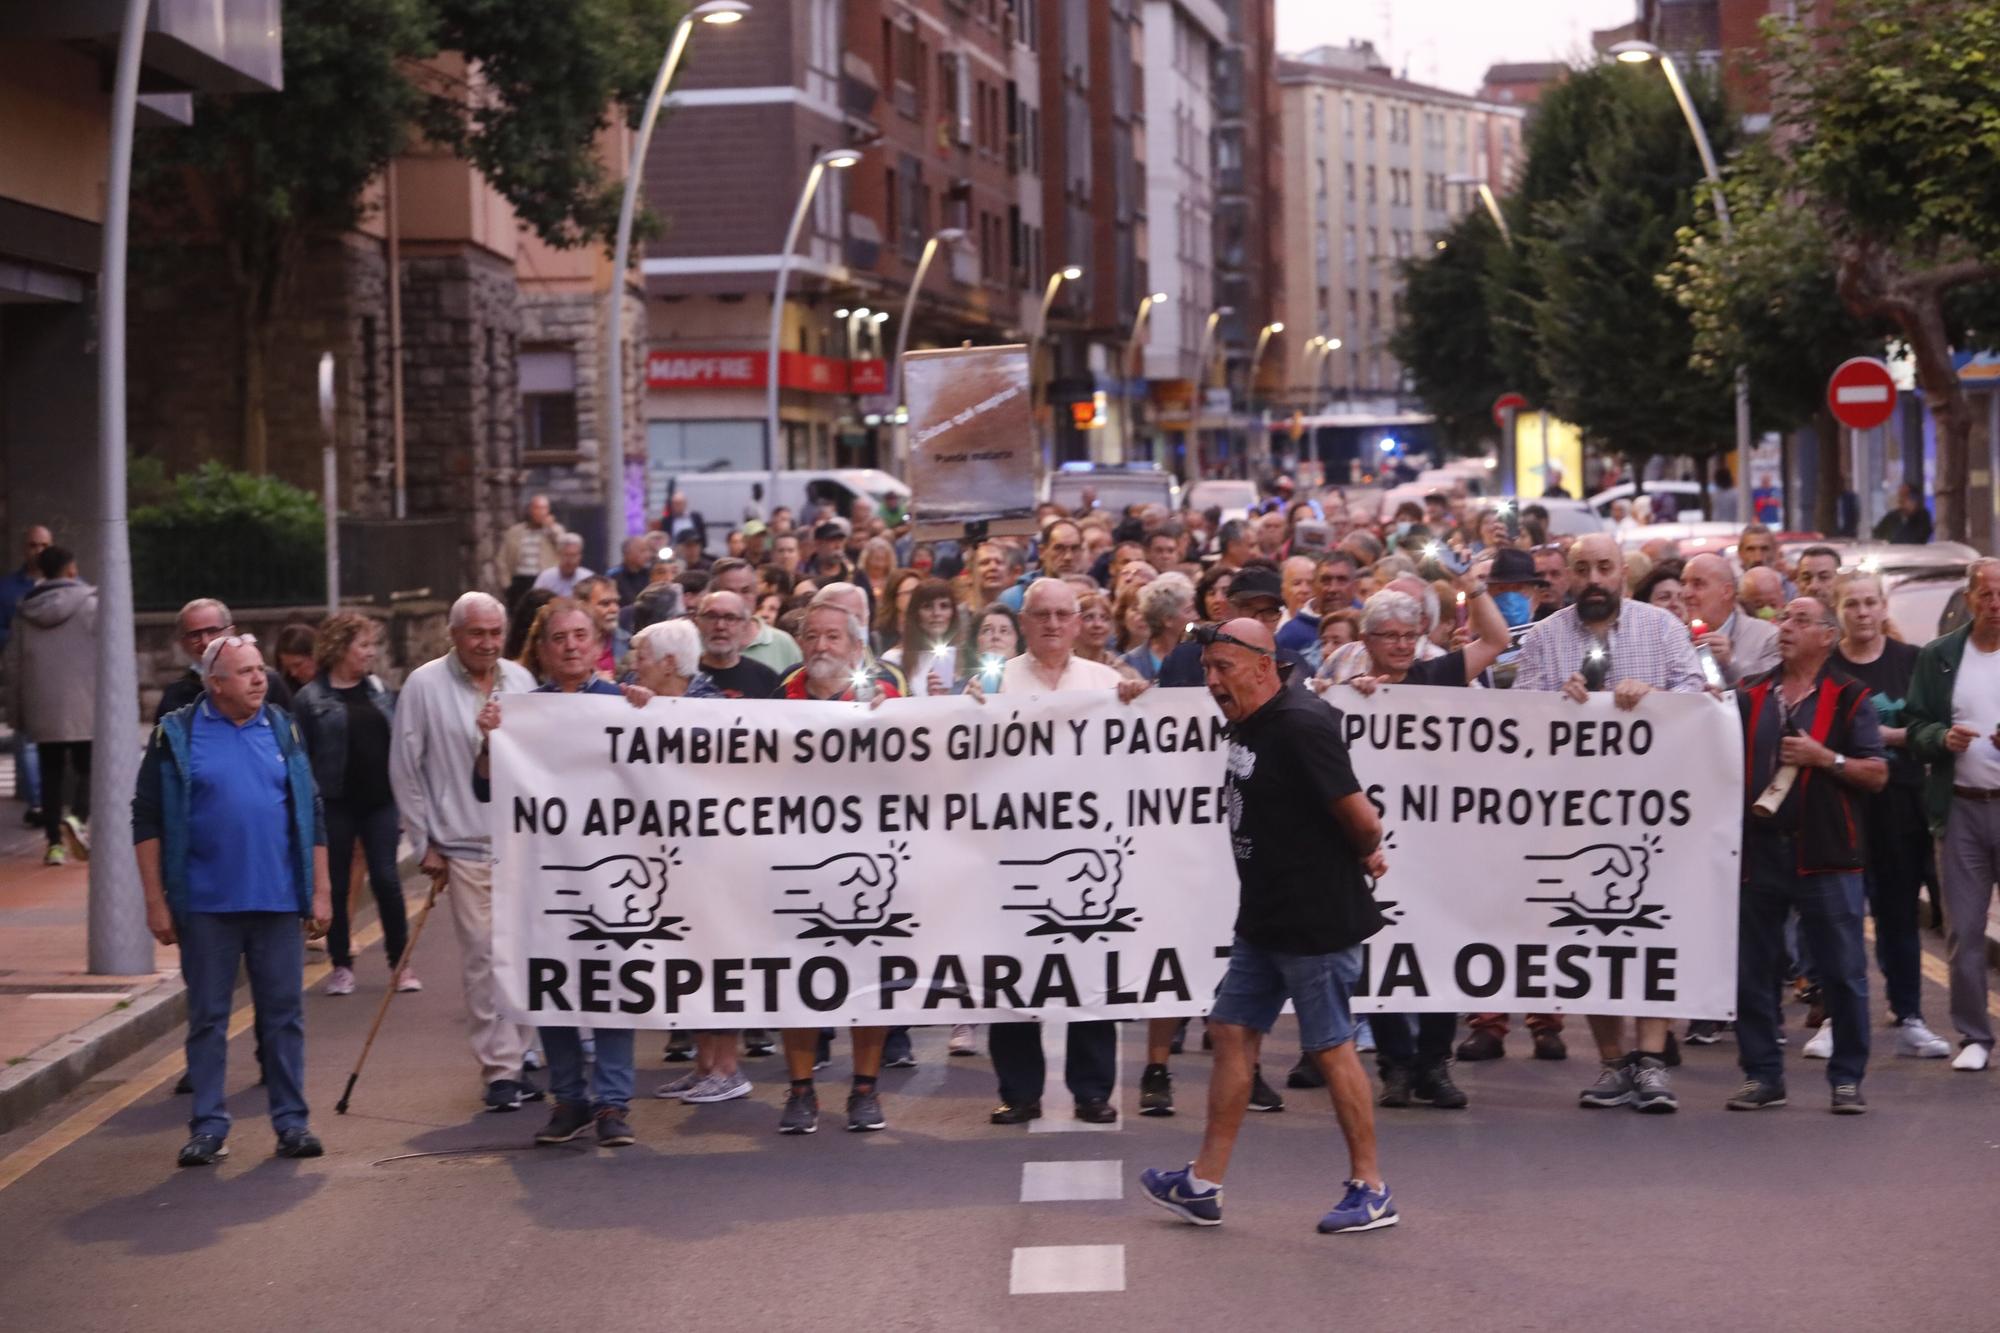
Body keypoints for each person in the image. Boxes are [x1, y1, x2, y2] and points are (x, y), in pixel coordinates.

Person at [1139, 618, 1396, 1234]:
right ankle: (1204, 1183)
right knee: (1230, 1030)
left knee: (1331, 1046)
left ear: (1263, 665)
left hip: (1315, 916)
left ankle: (1372, 1189)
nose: (1211, 681)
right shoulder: (1253, 719)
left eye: (1223, 668)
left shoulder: (1301, 726)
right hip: (1266, 914)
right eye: (1206, 669)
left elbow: (1363, 821)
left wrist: (1361, 850)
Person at [1515, 533, 1707, 1112]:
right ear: (1566, 577)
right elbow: (1519, 714)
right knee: (1590, 936)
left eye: (1604, 567)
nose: (1594, 578)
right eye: (1582, 569)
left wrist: (1655, 698)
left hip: (1653, 817)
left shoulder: (1663, 629)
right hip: (1574, 815)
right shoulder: (1545, 639)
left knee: (1649, 933)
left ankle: (1651, 1062)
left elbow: (1699, 694)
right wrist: (1556, 697)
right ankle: (1610, 1063)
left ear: (1624, 572)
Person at [133, 633, 331, 1167]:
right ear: (214, 684)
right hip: (204, 906)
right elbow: (146, 818)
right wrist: (155, 900)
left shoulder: (281, 728)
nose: (259, 679)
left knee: (283, 1016)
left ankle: (292, 1123)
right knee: (208, 1018)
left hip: (275, 900)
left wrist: (321, 890)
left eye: (260, 669)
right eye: (245, 672)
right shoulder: (176, 734)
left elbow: (311, 810)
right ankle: (209, 1127)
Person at [966, 579, 1149, 1127]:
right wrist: (963, 710)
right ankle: (1018, 1091)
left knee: (1090, 967)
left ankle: (1091, 1090)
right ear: (1024, 624)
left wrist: (1137, 703)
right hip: (1014, 849)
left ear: (1077, 621)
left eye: (1062, 615)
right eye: (1040, 615)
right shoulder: (996, 681)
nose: (1051, 624)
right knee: (1014, 974)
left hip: (1088, 848)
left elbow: (1139, 752)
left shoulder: (1105, 681)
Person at [472, 601, 652, 1147]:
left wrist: (653, 713)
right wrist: (490, 741)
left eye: (580, 635)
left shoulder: (622, 701)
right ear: (543, 648)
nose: (570, 645)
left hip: (614, 875)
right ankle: (569, 1100)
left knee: (612, 987)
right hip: (546, 874)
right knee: (552, 983)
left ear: (598, 642)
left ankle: (613, 1104)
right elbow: (485, 786)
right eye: (559, 637)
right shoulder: (523, 710)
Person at [1728, 598, 1888, 1114]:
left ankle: (1847, 1079)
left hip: (1825, 854)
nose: (1786, 628)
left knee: (1842, 971)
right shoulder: (1751, 695)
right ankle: (1763, 1075)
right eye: (1782, 619)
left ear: (1826, 636)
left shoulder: (1849, 697)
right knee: (1754, 969)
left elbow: (1877, 773)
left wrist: (1826, 758)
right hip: (1760, 851)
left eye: (1800, 620)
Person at [389, 592, 543, 1113]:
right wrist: (423, 841)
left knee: (523, 952)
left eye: (496, 632)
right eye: (477, 633)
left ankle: (521, 1057)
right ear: (455, 634)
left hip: (523, 844)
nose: (488, 643)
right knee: (483, 956)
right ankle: (500, 1068)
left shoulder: (521, 680)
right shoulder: (424, 685)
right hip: (462, 844)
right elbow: (405, 769)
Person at [769, 602, 903, 1134]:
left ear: (854, 646)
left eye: (833, 637)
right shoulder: (776, 699)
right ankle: (801, 1090)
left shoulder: (884, 698)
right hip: (797, 863)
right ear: (800, 643)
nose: (822, 646)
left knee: (873, 978)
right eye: (813, 637)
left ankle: (865, 1090)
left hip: (871, 863)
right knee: (796, 978)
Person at [1832, 571, 1952, 1058]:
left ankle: (1910, 1015)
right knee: (1838, 915)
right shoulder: (1829, 666)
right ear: (1838, 611)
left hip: (1902, 803)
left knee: (1898, 914)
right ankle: (1835, 1018)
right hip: (1840, 805)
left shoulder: (1912, 661)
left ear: (1883, 608)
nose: (1862, 613)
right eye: (1852, 605)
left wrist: (1876, 737)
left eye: (1869, 603)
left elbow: (1932, 727)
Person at [1905, 558, 2000, 1071]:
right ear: (1969, 600)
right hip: (1961, 806)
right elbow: (1916, 723)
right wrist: (1941, 738)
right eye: (1986, 595)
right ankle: (1975, 1037)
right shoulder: (1941, 657)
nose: (1996, 605)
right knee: (1963, 929)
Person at [292, 612, 414, 998]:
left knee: (386, 879)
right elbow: (301, 756)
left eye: (371, 644)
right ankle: (341, 965)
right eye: (363, 645)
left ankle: (401, 962)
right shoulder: (310, 699)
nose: (371, 652)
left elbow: (399, 743)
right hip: (335, 802)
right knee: (339, 884)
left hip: (380, 801)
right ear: (340, 648)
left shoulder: (380, 690)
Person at [10, 545, 97, 865]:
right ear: (72, 568)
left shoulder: (25, 610)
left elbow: (14, 663)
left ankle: (53, 846)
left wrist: (17, 711)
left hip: (42, 705)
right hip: (86, 701)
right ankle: (77, 816)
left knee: (50, 774)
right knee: (88, 767)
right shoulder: (92, 604)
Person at [154, 599, 294, 721]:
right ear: (183, 643)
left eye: (212, 631)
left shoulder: (267, 682)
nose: (205, 641)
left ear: (231, 632)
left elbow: (292, 742)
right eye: (195, 635)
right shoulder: (176, 696)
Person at [0, 524, 50, 825]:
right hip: (24, 672)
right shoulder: (8, 589)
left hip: (60, 676)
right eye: (33, 545)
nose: (38, 551)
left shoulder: (67, 583)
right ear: (24, 549)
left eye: (44, 545)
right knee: (27, 740)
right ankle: (38, 804)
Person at [1682, 553, 1779, 687]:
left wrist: (1730, 664)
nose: (1686, 593)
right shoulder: (1674, 638)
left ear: (1726, 591)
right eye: (1683, 583)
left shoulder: (1767, 637)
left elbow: (1768, 692)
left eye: (1698, 584)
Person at [707, 558, 803, 675]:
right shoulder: (694, 642)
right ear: (711, 596)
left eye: (745, 591)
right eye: (730, 592)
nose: (739, 599)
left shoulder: (783, 644)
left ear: (756, 594)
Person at [880, 578, 965, 697]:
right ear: (915, 614)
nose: (936, 613)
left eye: (944, 606)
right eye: (928, 606)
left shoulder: (965, 659)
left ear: (953, 614)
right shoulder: (893, 660)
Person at [1275, 552, 1358, 671]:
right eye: (1326, 580)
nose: (1333, 588)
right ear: (1314, 586)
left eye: (1341, 580)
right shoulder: (1289, 634)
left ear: (1355, 586)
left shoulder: (1368, 626)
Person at [693, 590, 780, 698]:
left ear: (745, 626)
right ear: (697, 623)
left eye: (730, 618)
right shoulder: (681, 676)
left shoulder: (767, 679)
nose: (720, 626)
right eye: (711, 616)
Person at [1124, 573, 1196, 683]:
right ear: (1168, 620)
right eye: (1188, 611)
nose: (1196, 616)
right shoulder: (1130, 662)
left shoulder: (1201, 656)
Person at [498, 494, 564, 610]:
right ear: (530, 510)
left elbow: (563, 547)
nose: (540, 512)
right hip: (520, 581)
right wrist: (506, 584)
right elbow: (502, 559)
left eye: (544, 508)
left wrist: (550, 528)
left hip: (544, 581)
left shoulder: (554, 531)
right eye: (537, 508)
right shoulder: (515, 532)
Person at [531, 533, 591, 598]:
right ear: (558, 555)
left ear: (580, 557)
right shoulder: (545, 578)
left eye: (574, 555)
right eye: (566, 555)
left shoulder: (588, 578)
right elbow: (534, 602)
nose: (570, 560)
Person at [272, 623, 319, 696]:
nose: (293, 673)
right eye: (287, 668)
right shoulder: (284, 690)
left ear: (314, 655)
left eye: (298, 665)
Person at [611, 535, 657, 606]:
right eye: (642, 551)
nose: (648, 555)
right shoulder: (614, 576)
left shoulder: (650, 574)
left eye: (648, 550)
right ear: (628, 553)